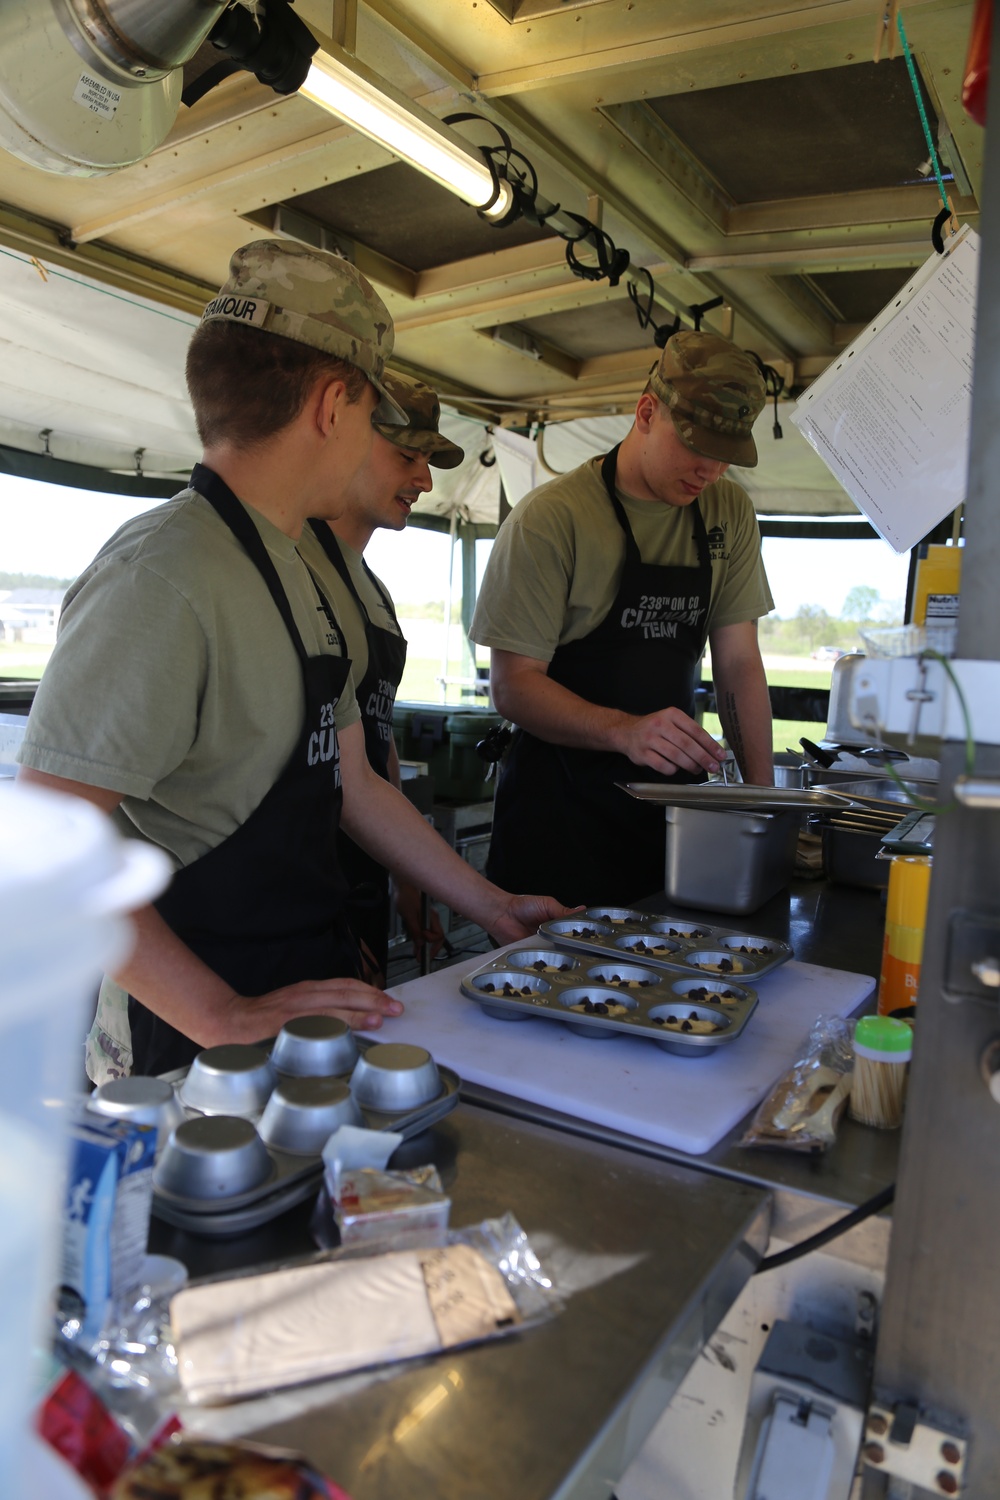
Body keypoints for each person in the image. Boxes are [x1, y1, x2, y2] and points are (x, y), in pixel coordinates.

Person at [16, 239, 572, 1081]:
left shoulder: (296, 566)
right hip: (187, 1041)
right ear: (332, 403)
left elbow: (353, 784)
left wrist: (493, 908)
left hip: (304, 997)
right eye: (369, 413)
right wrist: (219, 1012)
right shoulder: (163, 575)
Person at [470, 330, 775, 908]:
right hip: (558, 828)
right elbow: (512, 687)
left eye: (725, 456)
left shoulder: (727, 511)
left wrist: (759, 802)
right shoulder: (552, 519)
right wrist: (624, 730)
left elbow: (739, 662)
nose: (710, 471)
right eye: (696, 447)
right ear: (645, 412)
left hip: (670, 831)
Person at [299, 370, 463, 983]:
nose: (424, 480)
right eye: (407, 456)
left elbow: (376, 738)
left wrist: (410, 878)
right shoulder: (291, 566)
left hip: (360, 885)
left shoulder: (375, 593)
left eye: (428, 461)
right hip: (298, 899)